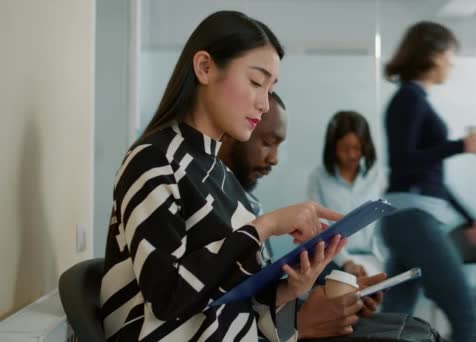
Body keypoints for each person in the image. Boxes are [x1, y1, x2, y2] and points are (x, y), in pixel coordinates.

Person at [100, 11, 347, 342]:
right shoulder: (153, 159)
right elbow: (167, 300)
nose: (263, 103)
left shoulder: (224, 177)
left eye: (271, 88)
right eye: (257, 82)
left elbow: (226, 295)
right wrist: (265, 226)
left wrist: (291, 287)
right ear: (204, 67)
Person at [218, 93, 387, 340]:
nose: (274, 159)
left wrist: (301, 297)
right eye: (267, 142)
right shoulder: (205, 199)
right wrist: (300, 323)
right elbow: (219, 314)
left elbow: (258, 300)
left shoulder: (250, 204)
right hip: (339, 262)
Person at [380, 21, 476, 342]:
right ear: (431, 54)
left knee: (392, 324)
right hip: (412, 221)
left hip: (408, 218)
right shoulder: (410, 98)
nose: (452, 62)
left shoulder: (414, 99)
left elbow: (430, 178)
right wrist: (461, 145)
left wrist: (472, 218)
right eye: (449, 53)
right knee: (467, 318)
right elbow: (403, 162)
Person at [307, 111, 387, 277]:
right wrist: (347, 263)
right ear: (333, 147)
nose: (352, 155)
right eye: (345, 148)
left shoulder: (378, 176)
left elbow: (386, 224)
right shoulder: (318, 178)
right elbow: (319, 228)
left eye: (357, 148)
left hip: (375, 257)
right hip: (334, 259)